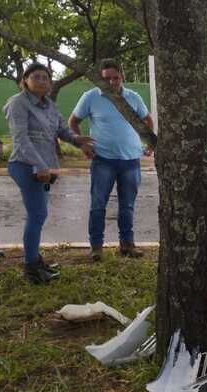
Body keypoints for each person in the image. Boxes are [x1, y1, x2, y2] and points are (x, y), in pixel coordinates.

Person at [3, 63, 94, 284]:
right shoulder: (18, 103)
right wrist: (39, 166)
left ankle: (35, 259)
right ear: (25, 80)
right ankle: (31, 268)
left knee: (39, 214)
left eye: (46, 77)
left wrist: (76, 140)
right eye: (37, 77)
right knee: (37, 215)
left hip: (45, 168)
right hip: (27, 167)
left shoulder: (49, 106)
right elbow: (21, 139)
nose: (42, 81)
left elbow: (61, 130)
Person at [69, 59, 153, 261]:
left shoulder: (132, 97)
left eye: (116, 78)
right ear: (100, 79)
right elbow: (73, 122)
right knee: (98, 205)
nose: (112, 82)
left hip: (131, 160)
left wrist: (150, 143)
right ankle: (96, 247)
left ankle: (127, 245)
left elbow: (147, 119)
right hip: (103, 160)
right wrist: (84, 145)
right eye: (107, 79)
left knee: (127, 206)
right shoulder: (91, 97)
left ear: (122, 77)